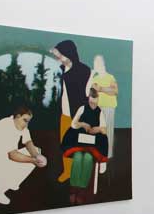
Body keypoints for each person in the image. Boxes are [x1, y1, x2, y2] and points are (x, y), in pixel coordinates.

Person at [0, 106, 47, 205]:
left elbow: (28, 141)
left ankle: (8, 181)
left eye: (28, 121)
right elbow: (12, 155)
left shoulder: (19, 123)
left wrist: (37, 156)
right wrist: (33, 161)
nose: (26, 124)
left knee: (37, 151)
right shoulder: (5, 126)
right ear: (17, 116)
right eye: (25, 120)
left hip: (3, 158)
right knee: (30, 160)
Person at [51, 40, 93, 182]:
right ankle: (67, 171)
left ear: (69, 54)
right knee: (65, 144)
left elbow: (88, 95)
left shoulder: (84, 71)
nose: (59, 59)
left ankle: (81, 173)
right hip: (64, 114)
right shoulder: (60, 69)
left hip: (79, 115)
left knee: (80, 145)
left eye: (60, 56)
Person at [60, 89, 109, 204]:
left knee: (88, 158)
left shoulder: (100, 112)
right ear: (89, 98)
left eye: (95, 100)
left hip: (93, 143)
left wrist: (96, 129)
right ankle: (73, 188)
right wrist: (82, 124)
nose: (93, 103)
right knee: (77, 157)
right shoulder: (82, 108)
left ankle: (81, 189)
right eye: (92, 100)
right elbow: (73, 124)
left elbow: (104, 129)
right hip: (79, 140)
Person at [91, 55, 118, 172]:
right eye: (95, 63)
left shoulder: (110, 77)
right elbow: (91, 93)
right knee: (97, 134)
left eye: (98, 62)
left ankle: (104, 160)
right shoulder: (94, 78)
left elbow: (114, 91)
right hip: (97, 108)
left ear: (103, 63)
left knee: (107, 134)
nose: (96, 65)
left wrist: (101, 89)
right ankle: (98, 157)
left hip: (108, 108)